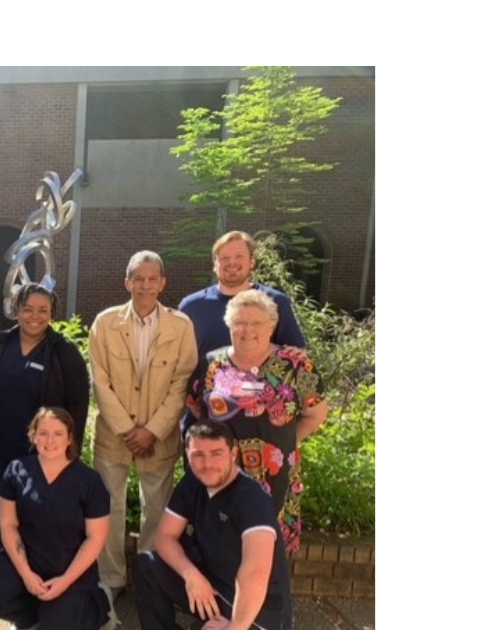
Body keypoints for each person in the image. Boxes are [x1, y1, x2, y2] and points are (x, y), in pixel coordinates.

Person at [128, 420, 292, 630]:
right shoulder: (194, 482)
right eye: (197, 456)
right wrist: (191, 576)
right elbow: (164, 537)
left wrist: (236, 627)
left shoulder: (251, 498)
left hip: (258, 611)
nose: (207, 463)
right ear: (188, 456)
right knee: (149, 563)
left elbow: (255, 570)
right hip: (212, 588)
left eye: (216, 454)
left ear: (233, 453)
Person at [87, 250, 198, 600]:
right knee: (109, 509)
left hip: (159, 439)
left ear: (163, 283)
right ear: (127, 282)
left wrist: (152, 430)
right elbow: (99, 381)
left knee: (157, 510)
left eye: (153, 279)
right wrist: (127, 429)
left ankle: (152, 577)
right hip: (112, 437)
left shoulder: (181, 327)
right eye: (139, 278)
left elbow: (182, 383)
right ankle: (111, 580)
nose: (145, 285)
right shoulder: (105, 324)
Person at [0, 408, 116, 630]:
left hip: (70, 570)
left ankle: (99, 604)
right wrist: (26, 574)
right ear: (33, 436)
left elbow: (96, 539)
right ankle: (30, 617)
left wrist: (64, 581)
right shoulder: (17, 470)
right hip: (29, 562)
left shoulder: (89, 481)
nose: (50, 441)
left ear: (70, 438)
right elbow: (8, 525)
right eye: (44, 433)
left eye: (58, 433)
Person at [186, 290, 328, 552]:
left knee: (268, 552)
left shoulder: (295, 364)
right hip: (221, 473)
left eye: (256, 323)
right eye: (240, 322)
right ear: (229, 326)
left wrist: (283, 442)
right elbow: (198, 409)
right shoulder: (211, 364)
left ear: (272, 326)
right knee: (220, 546)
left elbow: (316, 413)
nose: (247, 330)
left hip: (275, 474)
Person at [0, 283, 89, 557]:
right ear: (16, 309)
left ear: (52, 313)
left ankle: (37, 582)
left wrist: (68, 451)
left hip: (44, 455)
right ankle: (1, 575)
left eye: (43, 310)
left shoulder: (64, 352)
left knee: (38, 520)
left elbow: (78, 405)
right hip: (1, 455)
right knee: (3, 519)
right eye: (27, 309)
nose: (35, 316)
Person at [178, 230, 305, 360]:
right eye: (224, 258)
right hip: (206, 379)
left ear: (251, 262)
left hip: (261, 379)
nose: (232, 262)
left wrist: (299, 354)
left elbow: (295, 356)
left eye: (239, 256)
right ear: (215, 265)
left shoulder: (276, 302)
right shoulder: (192, 307)